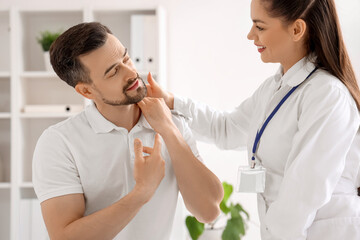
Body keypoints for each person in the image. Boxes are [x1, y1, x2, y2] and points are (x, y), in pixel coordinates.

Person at [143, 0, 360, 239]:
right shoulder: (274, 89)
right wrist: (171, 102)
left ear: (297, 30)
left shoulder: (327, 95)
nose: (250, 35)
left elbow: (302, 195)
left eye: (260, 27)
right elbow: (226, 129)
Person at [32, 22, 224, 240]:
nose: (131, 73)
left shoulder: (170, 121)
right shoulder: (58, 142)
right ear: (86, 90)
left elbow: (209, 211)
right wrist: (141, 192)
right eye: (114, 71)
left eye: (126, 58)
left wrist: (169, 129)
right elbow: (65, 236)